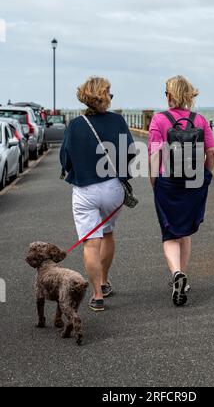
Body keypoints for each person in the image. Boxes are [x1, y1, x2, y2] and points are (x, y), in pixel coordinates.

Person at [60, 77, 135, 312]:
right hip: (112, 188)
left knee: (91, 244)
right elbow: (130, 152)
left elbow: (65, 159)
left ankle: (96, 295)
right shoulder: (118, 121)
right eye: (110, 93)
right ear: (103, 96)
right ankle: (104, 281)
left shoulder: (75, 125)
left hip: (84, 190)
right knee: (108, 234)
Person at [149, 76, 214, 307]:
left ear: (168, 95)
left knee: (169, 232)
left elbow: (154, 154)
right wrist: (206, 176)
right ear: (190, 95)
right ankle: (183, 280)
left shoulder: (159, 120)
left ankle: (177, 273)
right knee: (185, 229)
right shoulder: (200, 119)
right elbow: (212, 152)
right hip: (194, 182)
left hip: (167, 182)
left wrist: (154, 181)